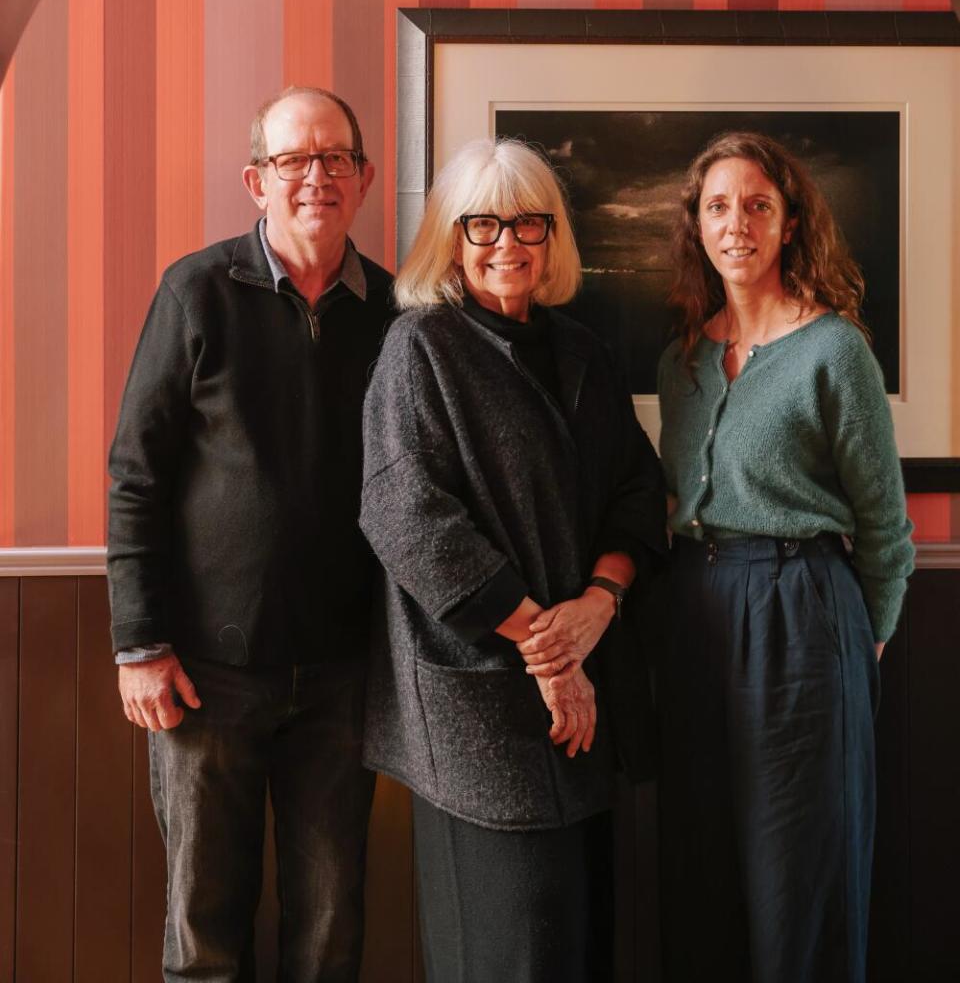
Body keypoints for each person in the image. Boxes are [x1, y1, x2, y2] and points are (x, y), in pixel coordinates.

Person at [359, 136, 666, 983]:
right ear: (450, 240)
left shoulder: (583, 351)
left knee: (577, 943)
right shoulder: (419, 350)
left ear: (553, 236)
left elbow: (640, 490)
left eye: (529, 222)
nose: (508, 244)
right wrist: (548, 651)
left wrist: (601, 601)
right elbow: (406, 518)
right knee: (509, 951)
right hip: (481, 705)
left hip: (586, 698)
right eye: (482, 224)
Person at [107, 85, 393, 983]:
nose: (316, 178)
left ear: (365, 176)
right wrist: (138, 643)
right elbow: (135, 476)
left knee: (330, 929)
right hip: (205, 674)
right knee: (205, 931)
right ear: (256, 180)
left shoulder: (396, 310)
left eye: (335, 159)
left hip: (343, 676)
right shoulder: (196, 292)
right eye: (292, 161)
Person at [655, 129, 915, 983]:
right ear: (697, 225)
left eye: (758, 206)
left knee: (796, 862)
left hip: (805, 611)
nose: (738, 225)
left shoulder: (835, 350)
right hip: (695, 613)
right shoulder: (682, 360)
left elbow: (884, 524)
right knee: (702, 851)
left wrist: (859, 637)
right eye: (719, 207)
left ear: (790, 223)